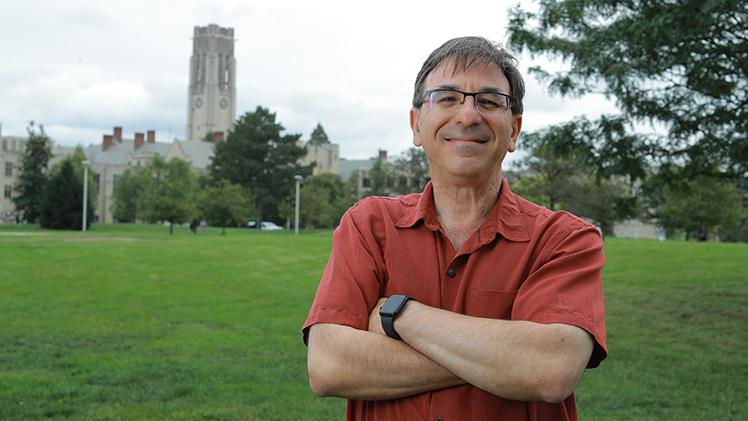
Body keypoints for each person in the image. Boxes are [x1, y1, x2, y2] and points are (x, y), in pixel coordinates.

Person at [303, 36, 607, 421]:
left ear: (514, 131)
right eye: (446, 98)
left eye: (489, 101)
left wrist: (399, 316)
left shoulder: (565, 239)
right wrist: (505, 360)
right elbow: (330, 366)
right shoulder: (368, 226)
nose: (467, 116)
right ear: (416, 125)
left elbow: (550, 371)